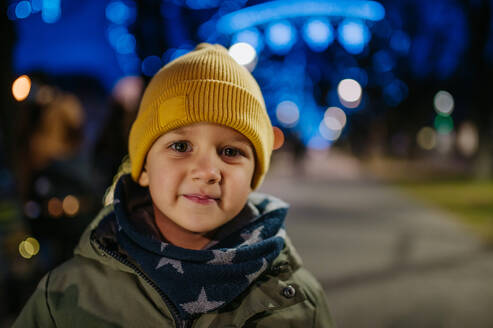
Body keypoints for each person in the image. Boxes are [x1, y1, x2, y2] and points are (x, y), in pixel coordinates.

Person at [13, 43, 333, 327]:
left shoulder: (296, 302)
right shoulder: (65, 297)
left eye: (231, 152)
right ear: (144, 168)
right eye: (181, 147)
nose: (207, 171)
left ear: (254, 176)